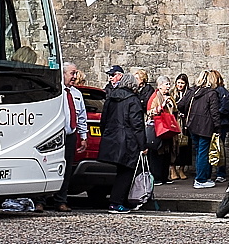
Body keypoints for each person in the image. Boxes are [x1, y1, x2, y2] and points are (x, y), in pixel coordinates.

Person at [97, 72, 147, 212]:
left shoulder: (111, 97)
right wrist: (143, 145)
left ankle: (122, 200)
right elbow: (137, 125)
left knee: (121, 171)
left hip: (113, 137)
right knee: (126, 172)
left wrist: (106, 135)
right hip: (128, 140)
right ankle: (116, 202)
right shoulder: (133, 100)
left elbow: (104, 120)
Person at [50, 62, 88, 211]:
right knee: (50, 166)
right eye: (72, 73)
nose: (75, 77)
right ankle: (40, 200)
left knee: (66, 168)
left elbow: (81, 117)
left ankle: (61, 200)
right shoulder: (55, 92)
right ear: (63, 74)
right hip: (54, 135)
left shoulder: (77, 94)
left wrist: (84, 137)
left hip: (70, 135)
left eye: (76, 73)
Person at [177, 70, 221, 189]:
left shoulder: (192, 91)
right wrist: (218, 128)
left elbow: (180, 105)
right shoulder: (211, 93)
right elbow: (215, 113)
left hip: (192, 126)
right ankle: (201, 179)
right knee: (203, 152)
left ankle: (203, 177)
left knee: (199, 152)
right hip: (206, 127)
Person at [146, 75, 177, 185]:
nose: (168, 86)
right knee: (157, 152)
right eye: (166, 84)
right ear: (159, 86)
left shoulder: (169, 96)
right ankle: (156, 177)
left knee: (167, 152)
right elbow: (150, 112)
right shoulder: (154, 97)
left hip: (168, 129)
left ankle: (165, 176)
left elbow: (175, 109)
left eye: (169, 84)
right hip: (157, 129)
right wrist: (162, 105)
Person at [210, 69, 229, 182]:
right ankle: (218, 172)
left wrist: (213, 114)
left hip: (220, 123)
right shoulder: (219, 91)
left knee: (219, 148)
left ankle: (221, 173)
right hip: (219, 122)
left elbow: (224, 109)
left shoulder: (221, 91)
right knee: (216, 148)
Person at [170, 73, 191, 180]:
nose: (180, 85)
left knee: (184, 147)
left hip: (185, 124)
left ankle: (181, 168)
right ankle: (172, 168)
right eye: (178, 82)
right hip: (174, 123)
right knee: (173, 147)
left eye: (182, 83)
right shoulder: (172, 94)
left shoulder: (189, 94)